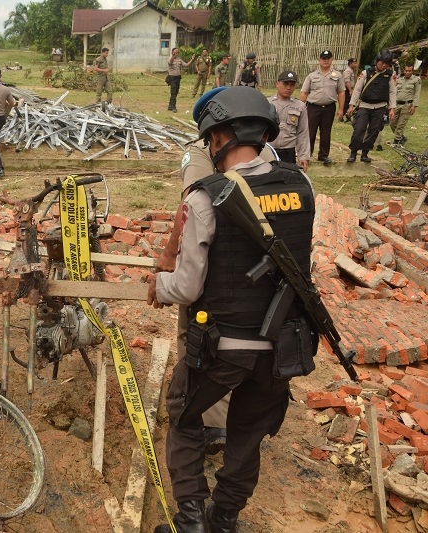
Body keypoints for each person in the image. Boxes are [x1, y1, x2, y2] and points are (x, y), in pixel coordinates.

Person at [149, 85, 315, 533]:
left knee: (184, 414)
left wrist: (159, 285)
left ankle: (190, 519)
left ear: (219, 137)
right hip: (282, 347)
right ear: (264, 135)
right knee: (248, 433)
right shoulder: (302, 186)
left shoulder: (205, 197)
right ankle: (223, 520)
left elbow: (187, 287)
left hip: (222, 346)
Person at [159, 87, 279, 455]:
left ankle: (209, 421)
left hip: (216, 256)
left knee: (197, 333)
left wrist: (169, 254)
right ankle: (238, 416)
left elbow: (189, 203)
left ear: (214, 133)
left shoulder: (200, 152)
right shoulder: (268, 151)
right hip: (262, 265)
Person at [346, 50, 396, 163]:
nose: (383, 65)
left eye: (386, 64)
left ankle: (365, 153)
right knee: (359, 129)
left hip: (380, 107)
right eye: (382, 63)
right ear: (377, 61)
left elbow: (392, 92)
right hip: (365, 106)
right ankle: (353, 152)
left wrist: (392, 108)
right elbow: (357, 90)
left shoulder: (390, 75)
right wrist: (351, 106)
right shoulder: (366, 73)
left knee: (374, 131)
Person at [300, 50, 344, 164]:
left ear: (331, 60)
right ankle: (307, 155)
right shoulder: (311, 76)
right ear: (319, 60)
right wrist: (300, 108)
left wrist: (341, 109)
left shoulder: (337, 75)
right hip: (313, 108)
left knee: (326, 132)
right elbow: (304, 92)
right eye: (323, 59)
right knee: (310, 132)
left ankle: (323, 156)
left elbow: (341, 92)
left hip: (329, 108)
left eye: (328, 58)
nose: (326, 61)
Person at [269, 70, 310, 172]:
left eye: (292, 85)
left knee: (288, 179)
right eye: (285, 84)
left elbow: (303, 132)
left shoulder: (300, 106)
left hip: (288, 152)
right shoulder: (267, 103)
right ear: (277, 84)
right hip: (269, 150)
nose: (288, 87)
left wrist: (303, 156)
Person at [389, 64, 420, 145]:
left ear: (412, 71)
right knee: (392, 123)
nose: (407, 72)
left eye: (409, 71)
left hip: (407, 105)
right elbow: (393, 91)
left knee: (401, 124)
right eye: (406, 71)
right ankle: (402, 137)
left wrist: (414, 106)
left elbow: (417, 93)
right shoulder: (399, 79)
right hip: (397, 104)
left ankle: (396, 141)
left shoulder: (416, 80)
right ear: (404, 71)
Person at [168, 47, 195, 113]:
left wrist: (192, 59)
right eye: (174, 53)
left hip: (178, 78)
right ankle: (173, 107)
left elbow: (186, 65)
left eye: (177, 53)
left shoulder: (179, 60)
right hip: (172, 77)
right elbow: (170, 62)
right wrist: (173, 57)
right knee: (173, 92)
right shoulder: (170, 59)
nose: (176, 54)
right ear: (172, 53)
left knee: (176, 92)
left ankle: (170, 106)